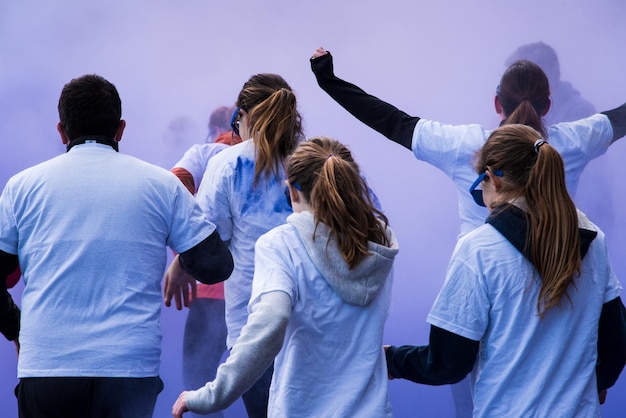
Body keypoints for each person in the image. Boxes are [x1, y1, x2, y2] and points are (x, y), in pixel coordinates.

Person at [0, 74, 234, 418]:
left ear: (62, 131)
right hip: (129, 371)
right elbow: (216, 265)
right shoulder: (160, 185)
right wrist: (183, 262)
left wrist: (15, 327)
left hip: (47, 369)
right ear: (120, 129)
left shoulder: (21, 188)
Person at [385, 124, 626, 417]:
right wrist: (591, 385)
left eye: (479, 191)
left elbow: (448, 364)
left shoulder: (478, 251)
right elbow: (616, 342)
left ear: (492, 179)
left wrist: (392, 360)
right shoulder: (594, 241)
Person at [172, 136, 399, 417]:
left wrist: (210, 396)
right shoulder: (378, 241)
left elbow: (270, 324)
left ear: (292, 191)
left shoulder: (282, 244)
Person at [310, 47, 626, 237]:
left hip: (482, 291)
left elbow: (393, 122)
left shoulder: (465, 145)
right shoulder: (572, 143)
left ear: (496, 103)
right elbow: (620, 118)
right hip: (554, 288)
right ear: (548, 106)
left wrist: (329, 81)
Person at [194, 73, 304, 417]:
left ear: (242, 116)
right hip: (317, 329)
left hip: (253, 331)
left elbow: (210, 244)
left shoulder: (226, 164)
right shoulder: (320, 161)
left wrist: (181, 265)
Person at [170, 105, 242, 418]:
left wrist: (185, 261)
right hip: (257, 292)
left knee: (197, 387)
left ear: (214, 129)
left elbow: (173, 199)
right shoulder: (267, 156)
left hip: (210, 295)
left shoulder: (205, 155)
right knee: (264, 384)